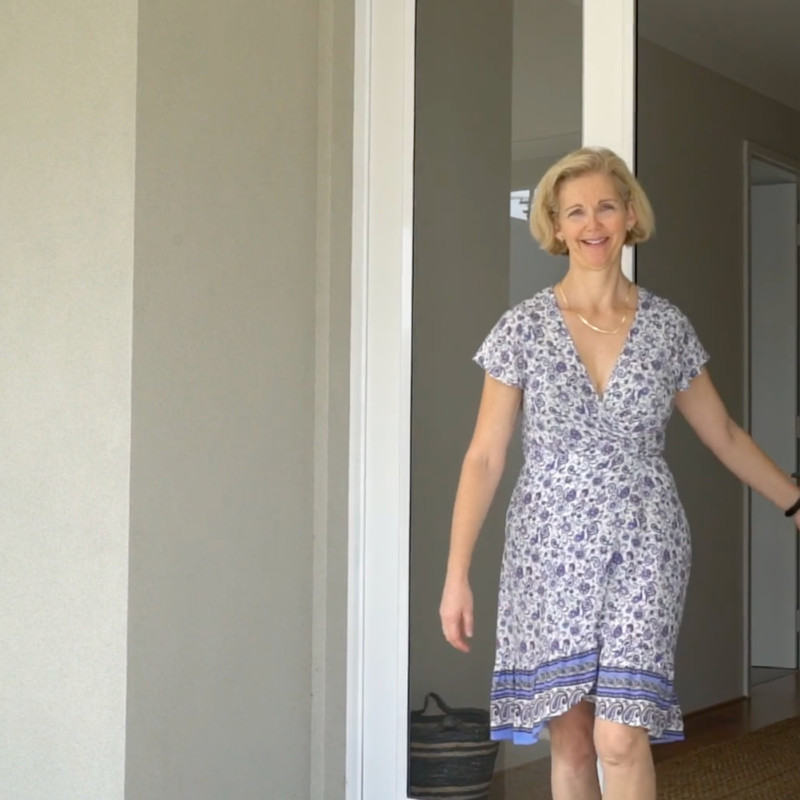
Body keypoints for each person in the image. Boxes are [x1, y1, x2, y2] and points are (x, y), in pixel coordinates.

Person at [438, 146, 800, 800]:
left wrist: (795, 502)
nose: (592, 223)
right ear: (555, 225)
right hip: (548, 553)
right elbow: (484, 457)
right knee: (574, 741)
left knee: (619, 736)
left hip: (645, 544)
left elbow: (723, 433)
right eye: (575, 211)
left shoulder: (666, 327)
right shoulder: (522, 329)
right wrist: (456, 574)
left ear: (630, 215)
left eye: (606, 206)